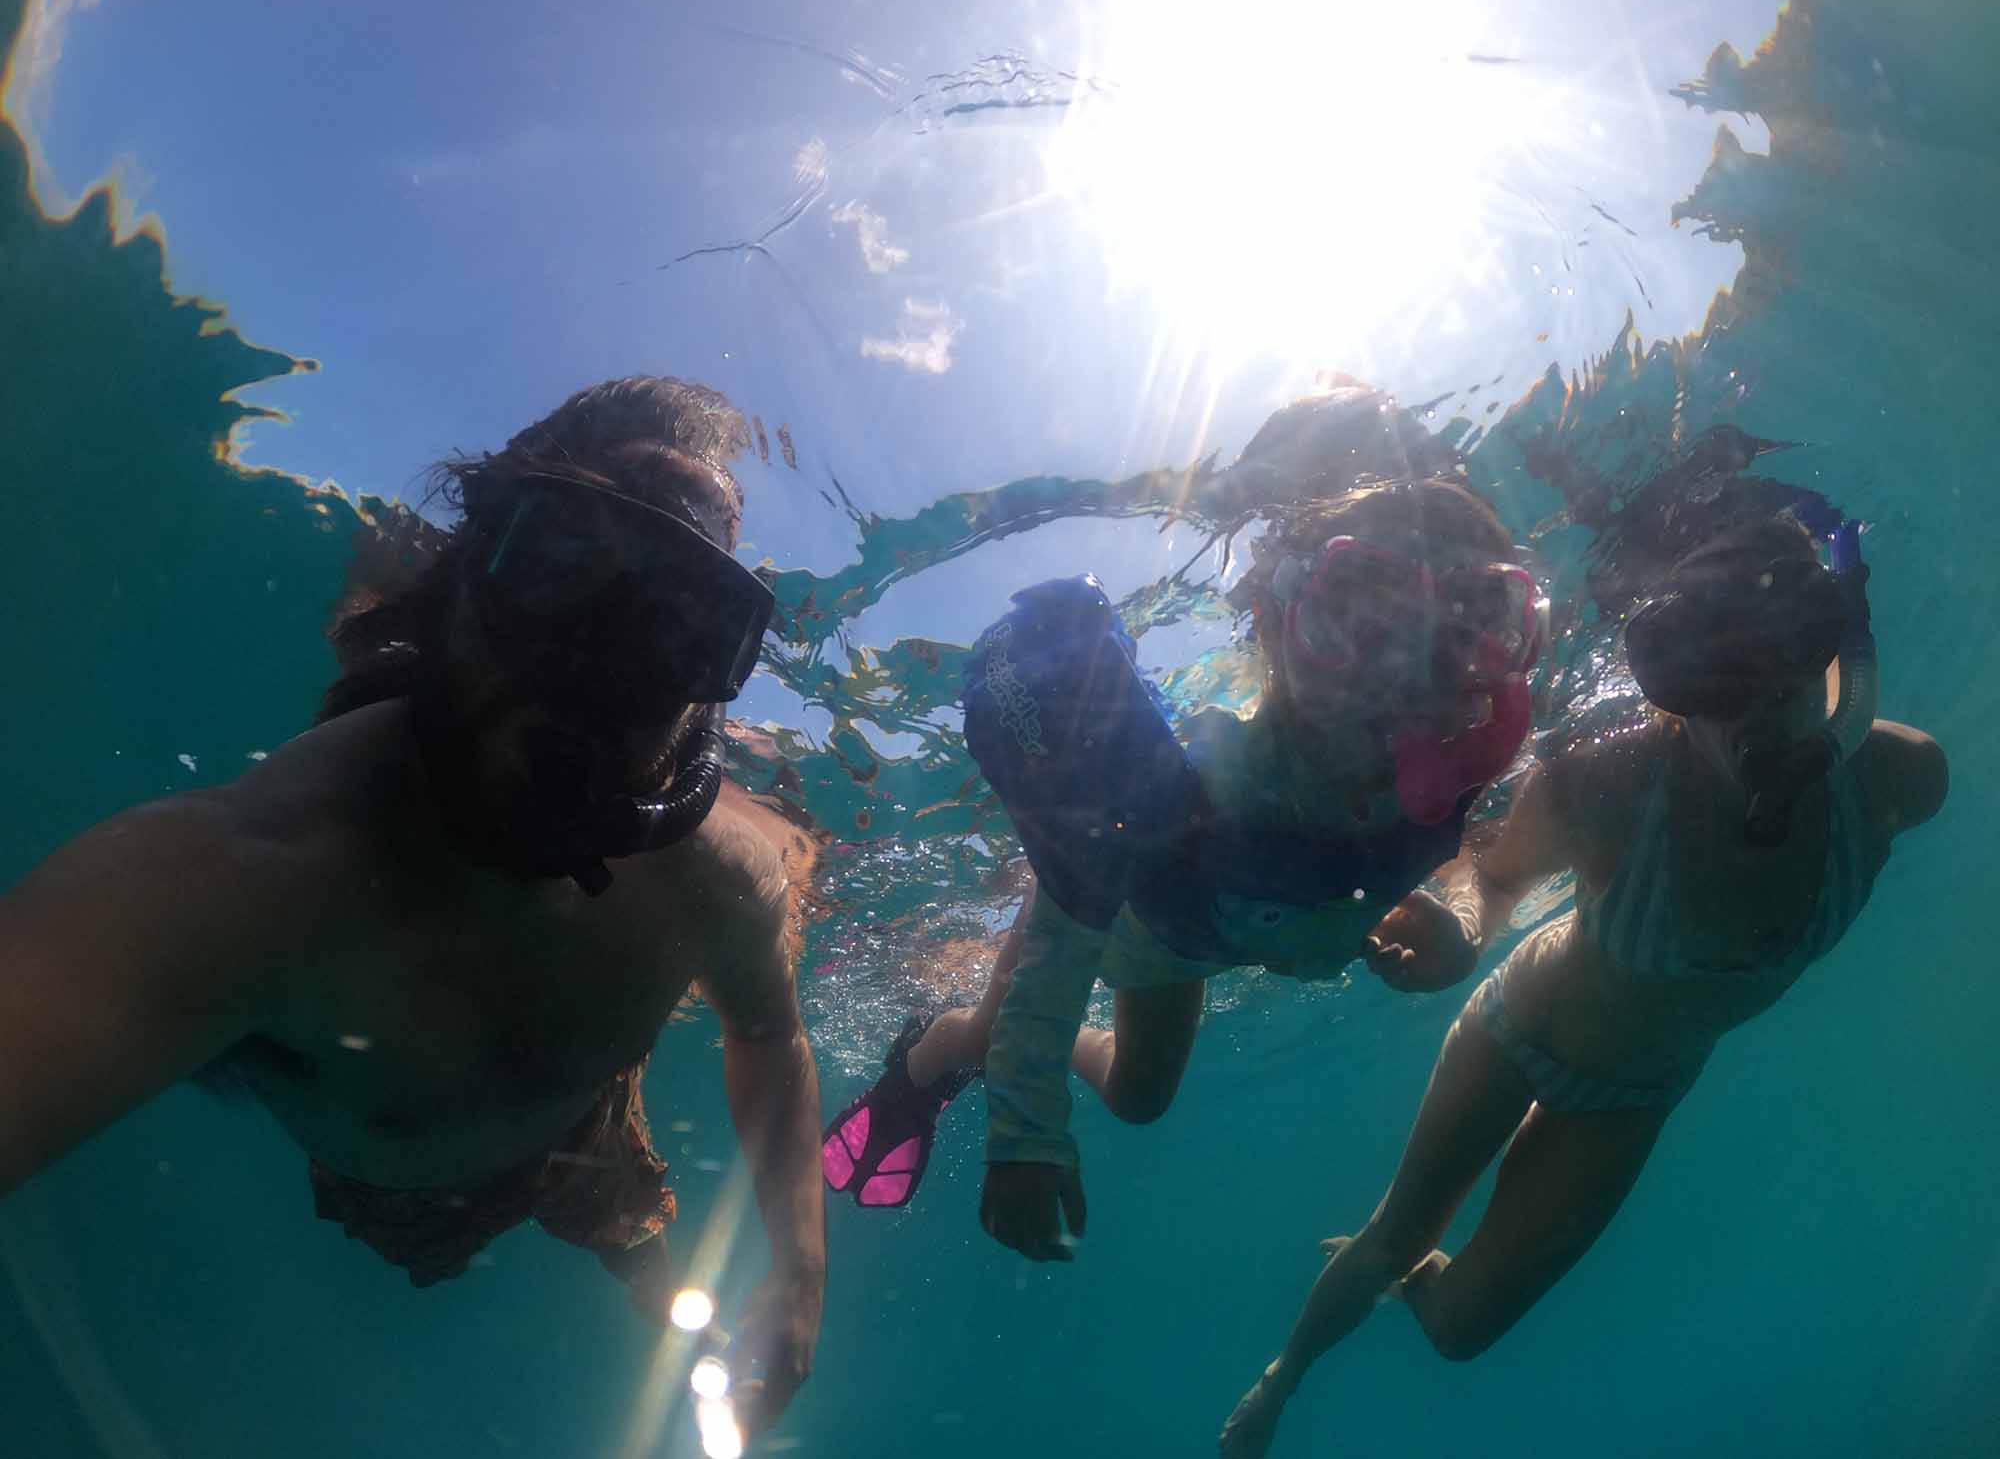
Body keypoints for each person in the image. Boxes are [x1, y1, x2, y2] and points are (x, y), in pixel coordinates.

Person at [0, 376, 826, 1436]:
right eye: (557, 567)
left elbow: (770, 1030)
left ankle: (661, 1305)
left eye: (681, 619)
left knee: (630, 1229)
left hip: (587, 1130)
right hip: (392, 1192)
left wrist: (796, 1280)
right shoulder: (255, 876)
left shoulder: (723, 877)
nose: (589, 673)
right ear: (468, 573)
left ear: (722, 669)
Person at [1219, 513, 1948, 1457]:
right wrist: (1455, 934)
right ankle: (1285, 1379)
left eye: (1787, 674)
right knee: (1397, 1230)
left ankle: (1403, 1276)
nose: (1761, 719)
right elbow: (1491, 877)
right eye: (1720, 688)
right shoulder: (1606, 786)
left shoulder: (1900, 779)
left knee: (1459, 1332)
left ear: (1832, 659)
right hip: (1521, 1022)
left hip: (1635, 1095)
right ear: (1673, 697)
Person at [821, 388, 1549, 1259]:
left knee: (1139, 1100)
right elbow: (1057, 965)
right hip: (1135, 908)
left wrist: (1444, 925)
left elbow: (1393, 859)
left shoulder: (1456, 770)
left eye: (1467, 628)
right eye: (1357, 614)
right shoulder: (1177, 781)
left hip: (1218, 925)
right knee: (1002, 1027)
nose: (1400, 677)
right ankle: (933, 1051)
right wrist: (1026, 1138)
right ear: (1272, 619)